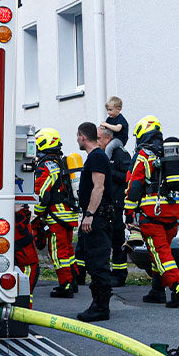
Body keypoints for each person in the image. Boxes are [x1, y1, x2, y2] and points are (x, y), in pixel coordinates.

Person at [125, 115, 179, 309]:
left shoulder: (144, 156)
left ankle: (177, 289)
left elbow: (135, 186)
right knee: (159, 253)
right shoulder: (172, 156)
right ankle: (157, 290)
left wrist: (129, 214)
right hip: (172, 217)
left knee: (162, 254)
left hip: (152, 215)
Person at [73, 122, 116, 321]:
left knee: (98, 262)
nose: (77, 140)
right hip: (96, 217)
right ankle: (97, 303)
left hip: (98, 218)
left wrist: (89, 214)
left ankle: (100, 307)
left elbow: (98, 188)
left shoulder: (97, 157)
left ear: (83, 137)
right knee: (92, 260)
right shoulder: (96, 157)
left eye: (77, 136)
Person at [30, 128, 80, 297]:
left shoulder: (46, 165)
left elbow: (42, 194)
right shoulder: (60, 161)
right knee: (67, 250)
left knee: (58, 252)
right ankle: (73, 281)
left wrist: (34, 215)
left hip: (56, 216)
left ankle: (65, 286)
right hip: (68, 214)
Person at [100, 121, 133, 285]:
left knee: (118, 240)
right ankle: (111, 272)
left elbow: (127, 177)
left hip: (118, 205)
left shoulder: (120, 154)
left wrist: (109, 171)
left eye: (99, 139)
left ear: (107, 138)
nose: (97, 142)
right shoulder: (104, 154)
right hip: (108, 204)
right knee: (107, 240)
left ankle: (120, 274)